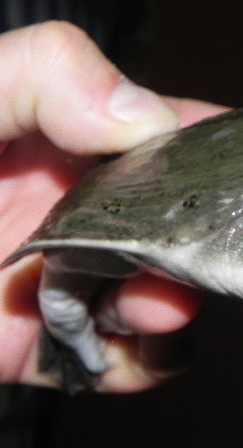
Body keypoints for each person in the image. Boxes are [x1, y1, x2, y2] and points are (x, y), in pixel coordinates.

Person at [0, 21, 229, 392]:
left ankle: (85, 362)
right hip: (76, 245)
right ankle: (86, 363)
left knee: (121, 312)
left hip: (83, 242)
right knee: (77, 314)